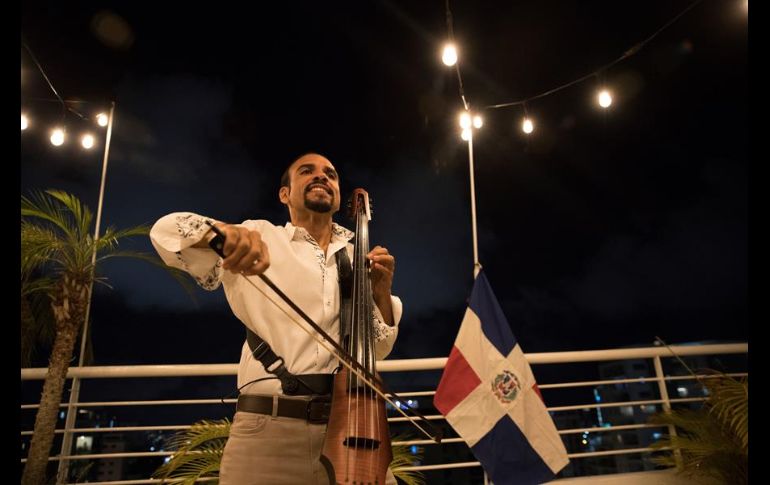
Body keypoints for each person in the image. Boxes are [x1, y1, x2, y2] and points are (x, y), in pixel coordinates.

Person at [150, 153, 401, 485]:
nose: (321, 177)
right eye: (306, 171)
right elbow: (165, 233)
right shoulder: (259, 235)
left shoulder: (357, 257)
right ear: (285, 194)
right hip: (269, 431)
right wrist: (222, 234)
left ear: (339, 197)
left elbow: (378, 350)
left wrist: (381, 293)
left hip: (350, 430)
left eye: (330, 174)